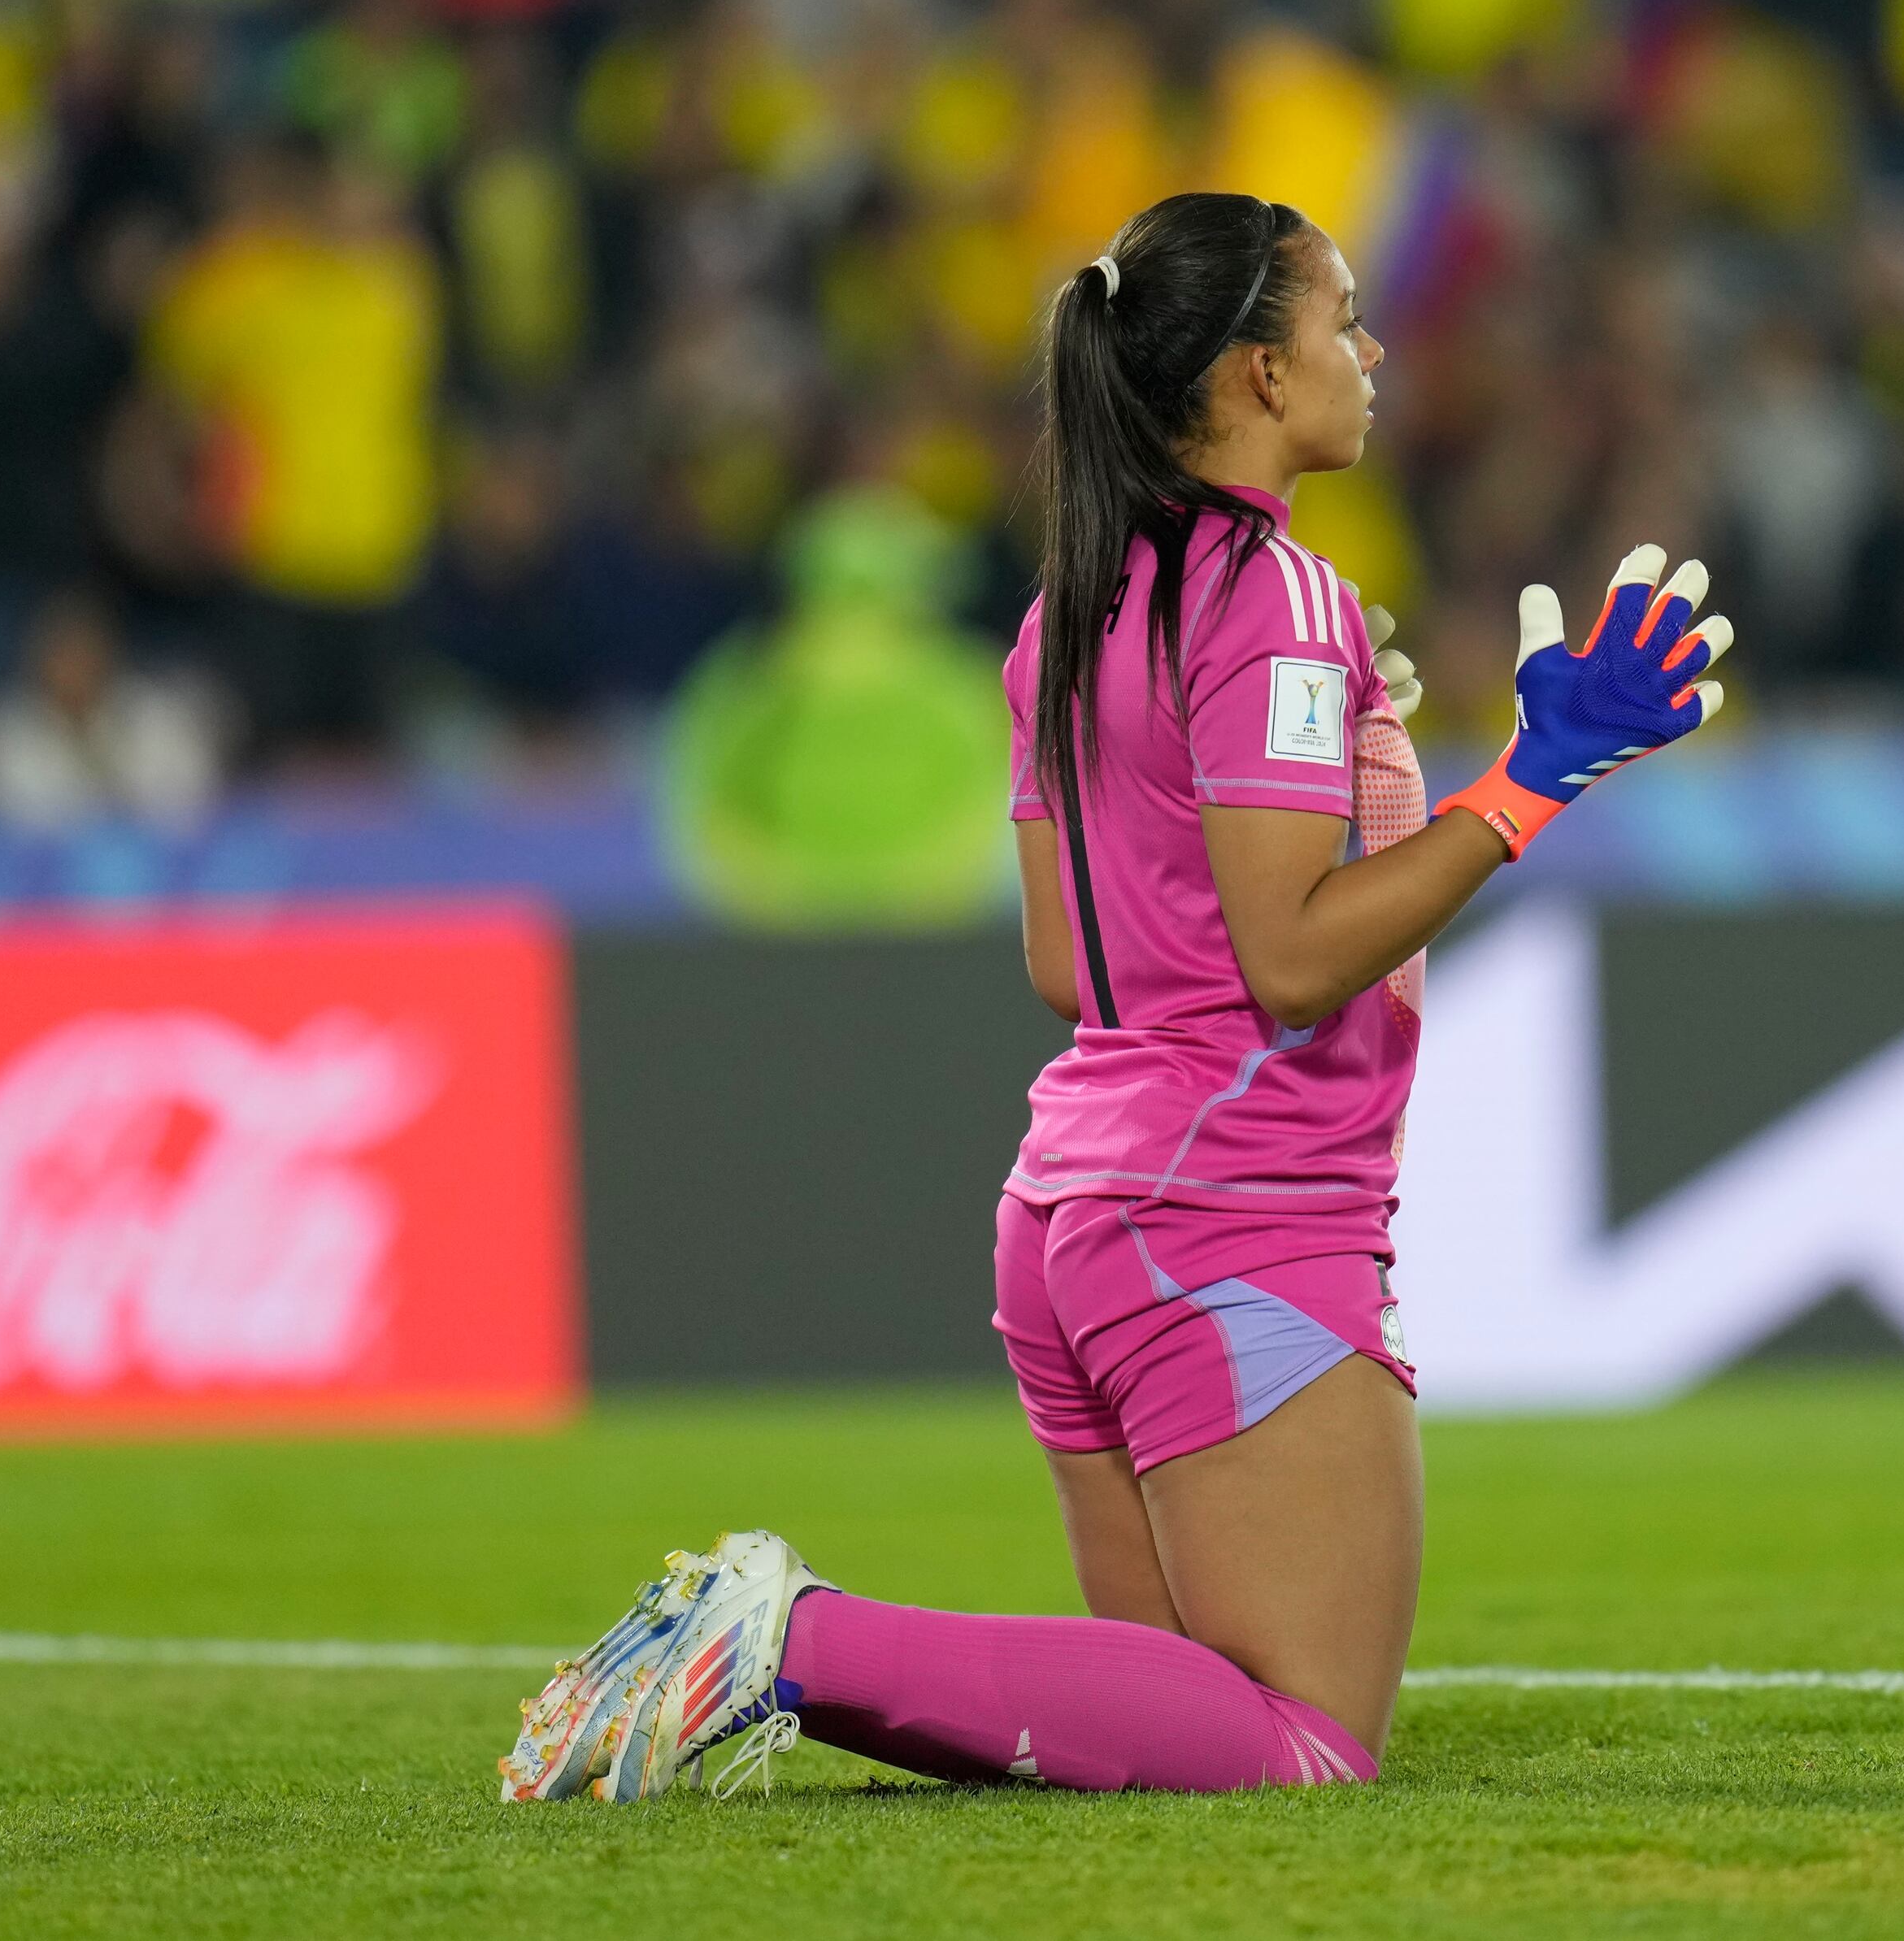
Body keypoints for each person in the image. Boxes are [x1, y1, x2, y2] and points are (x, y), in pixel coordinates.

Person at [498, 189, 1732, 1805]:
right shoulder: (1281, 596)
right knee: (1303, 1740)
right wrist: (1528, 781)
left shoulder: (1067, 610)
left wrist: (1360, 786)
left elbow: (1071, 957)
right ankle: (785, 1635)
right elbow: (1290, 954)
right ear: (1254, 377)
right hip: (1232, 1211)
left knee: (1162, 1736)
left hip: (1075, 1214)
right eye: (1340, 318)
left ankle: (769, 1647)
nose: (1370, 353)